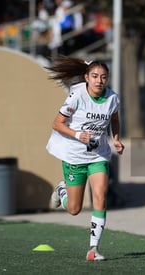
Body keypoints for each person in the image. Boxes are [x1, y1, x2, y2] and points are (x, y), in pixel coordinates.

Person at [46, 56, 124, 261]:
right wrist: (78, 135)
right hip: (74, 156)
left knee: (100, 196)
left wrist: (116, 139)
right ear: (86, 78)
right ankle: (62, 190)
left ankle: (93, 250)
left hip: (98, 155)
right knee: (74, 209)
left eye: (104, 77)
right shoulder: (77, 96)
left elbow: (114, 119)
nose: (99, 81)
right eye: (95, 76)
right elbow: (57, 124)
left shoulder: (112, 98)